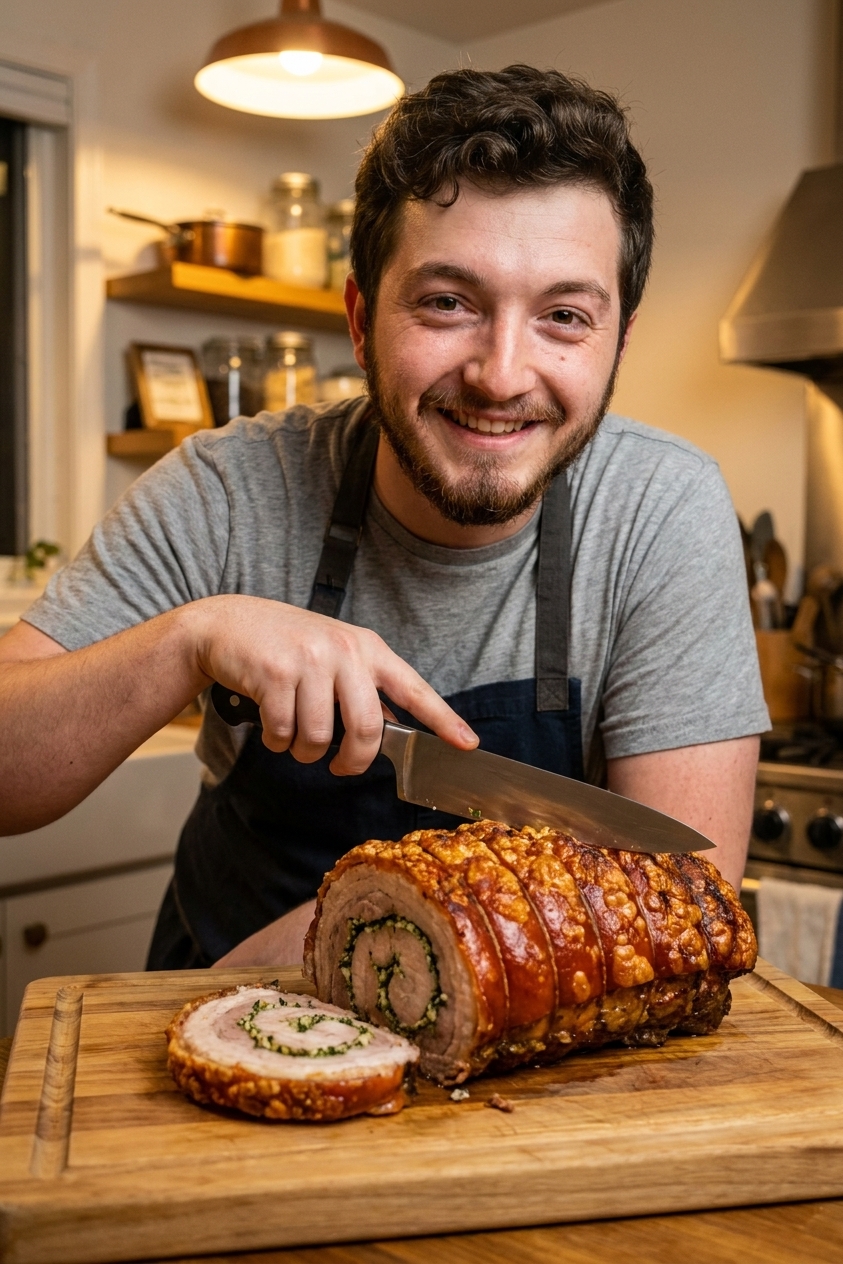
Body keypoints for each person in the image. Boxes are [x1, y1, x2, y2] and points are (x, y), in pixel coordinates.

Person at [0, 66, 768, 971]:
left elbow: (680, 910)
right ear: (361, 321)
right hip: (212, 1017)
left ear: (616, 345)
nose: (500, 374)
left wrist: (362, 932)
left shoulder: (657, 509)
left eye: (564, 316)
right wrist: (191, 639)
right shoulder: (226, 486)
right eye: (447, 302)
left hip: (523, 1080)